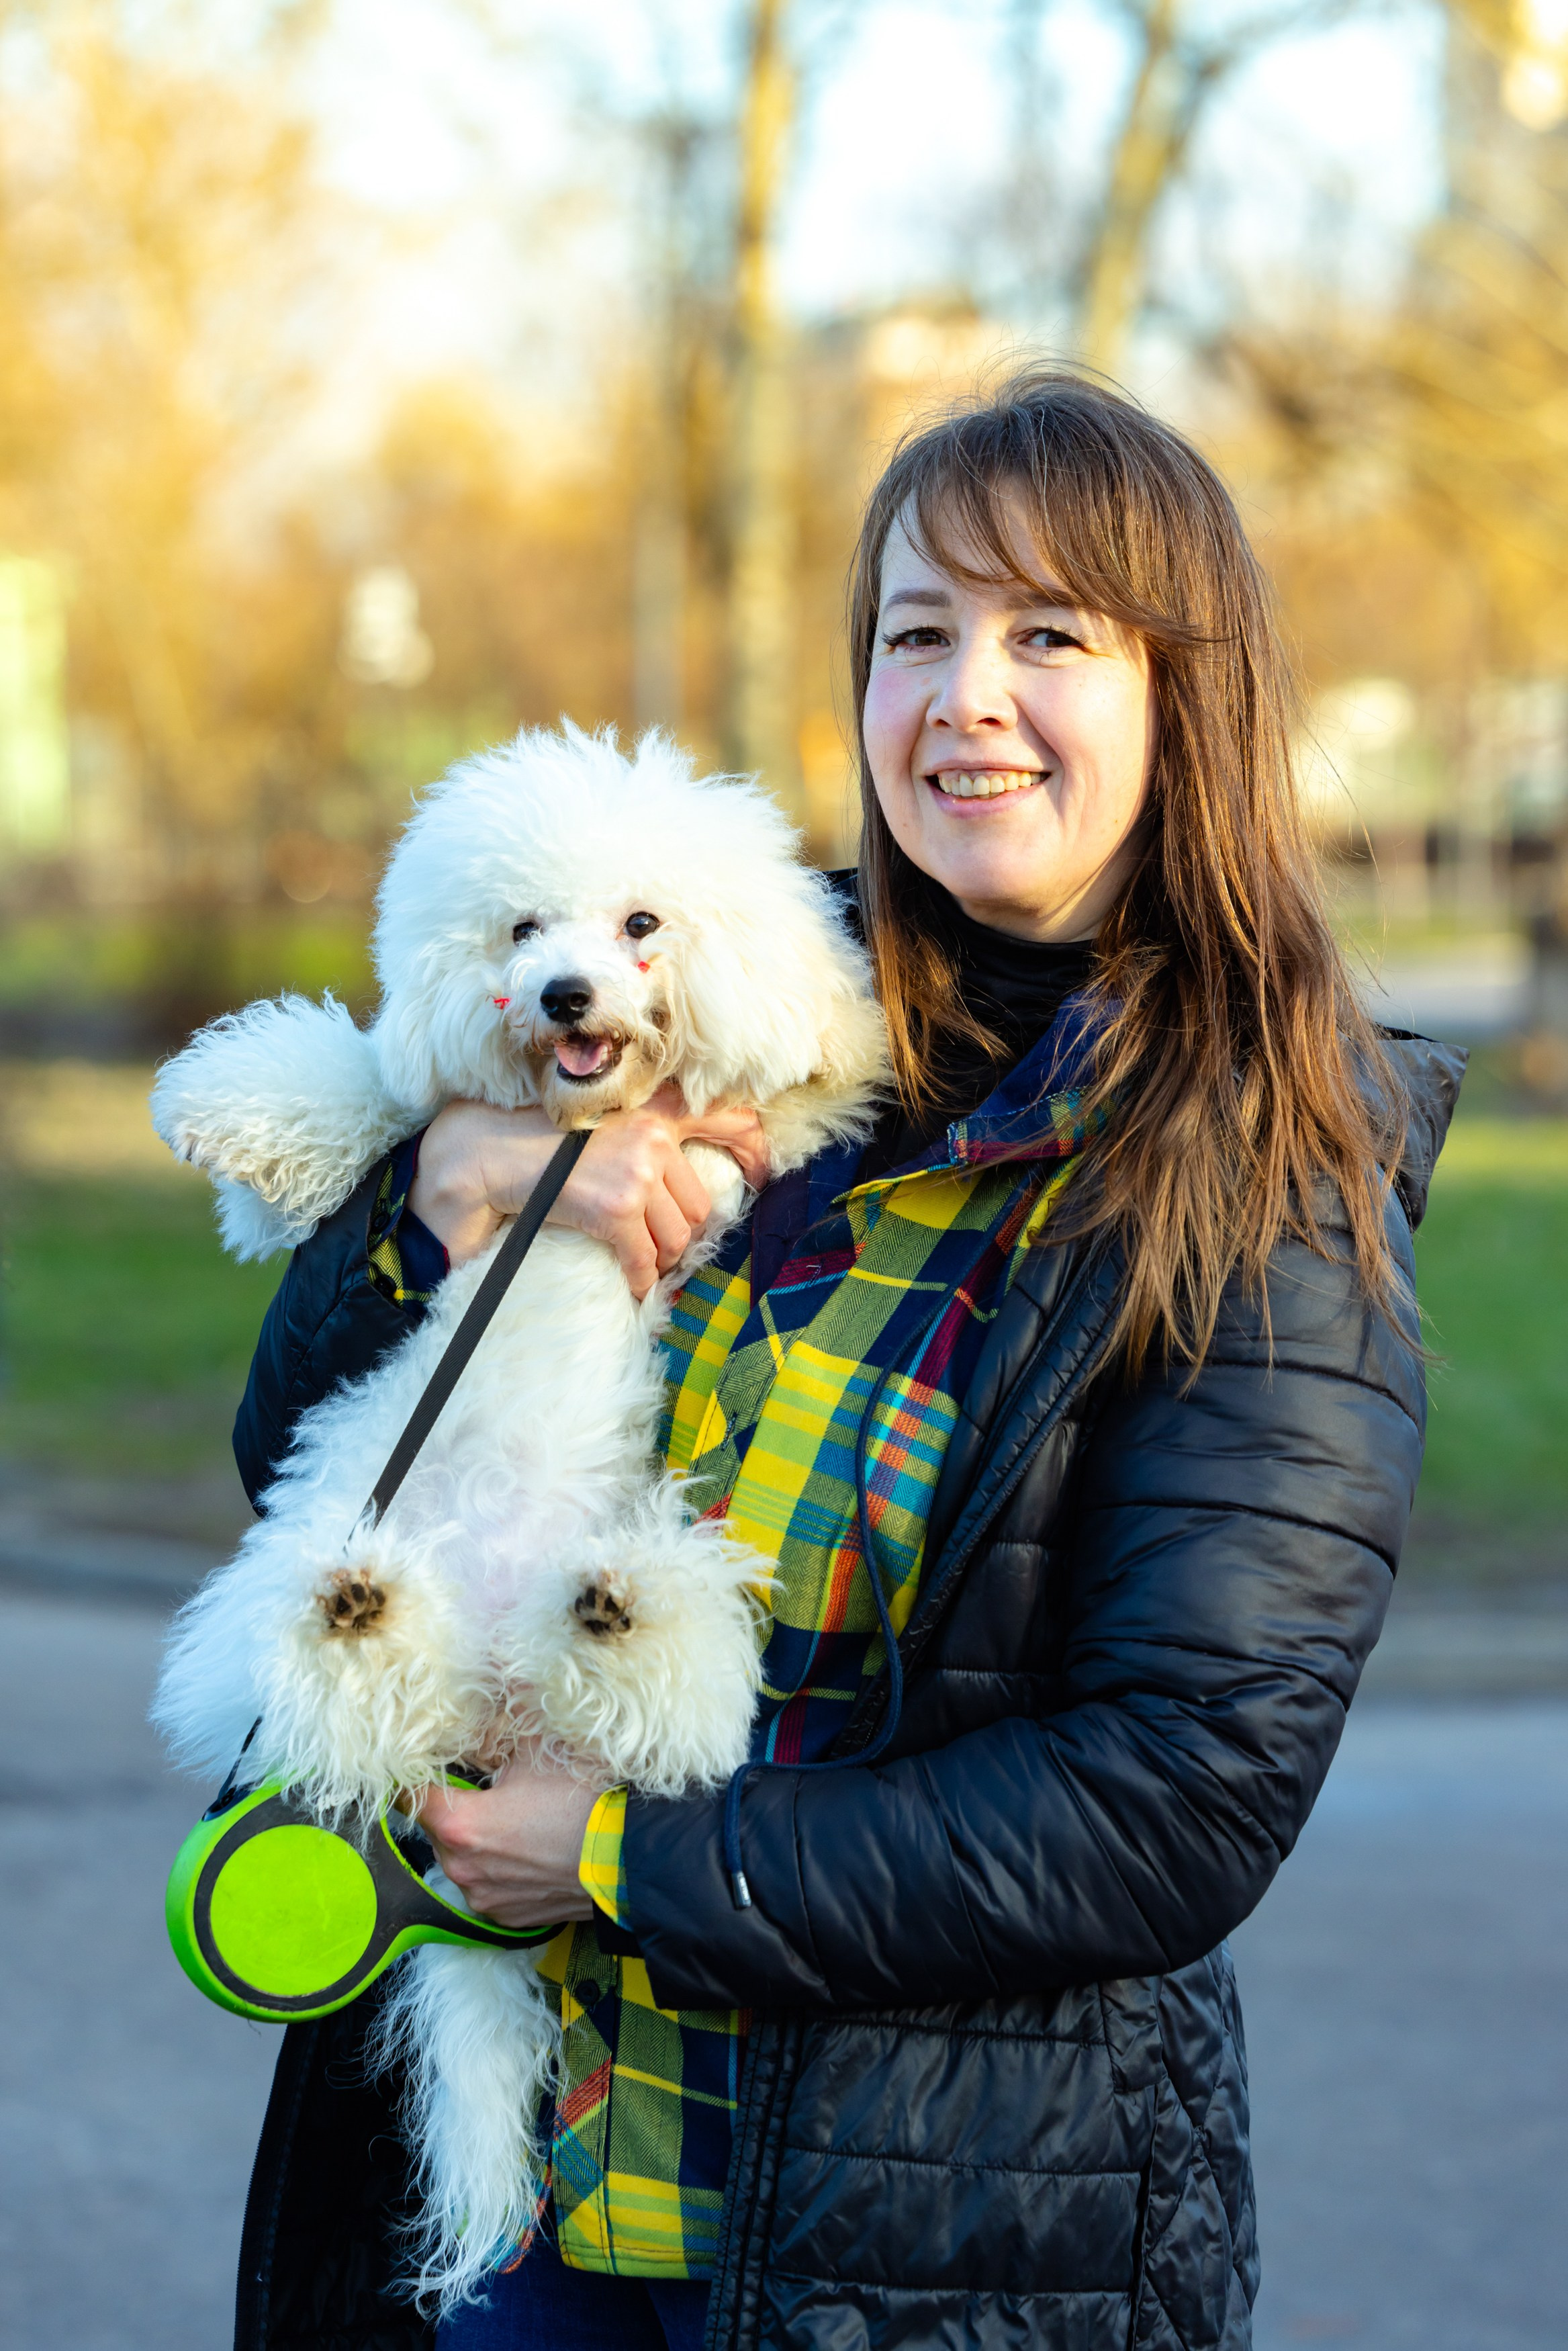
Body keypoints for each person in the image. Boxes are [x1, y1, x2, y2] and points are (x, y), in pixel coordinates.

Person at [230, 370, 1463, 2351]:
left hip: (917, 2248)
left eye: (1047, 633)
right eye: (917, 634)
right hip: (531, 2205)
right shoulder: (712, 998)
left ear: (1185, 699)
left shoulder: (1267, 1172)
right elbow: (303, 1451)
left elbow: (1176, 1792)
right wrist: (439, 1192)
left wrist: (623, 1856)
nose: (965, 692)